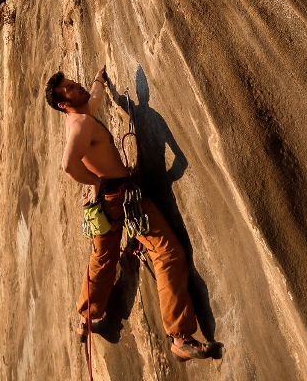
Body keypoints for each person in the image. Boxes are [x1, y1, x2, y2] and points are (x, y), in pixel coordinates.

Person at [45, 66, 217, 361]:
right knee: (167, 253)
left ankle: (85, 319)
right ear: (63, 103)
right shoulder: (80, 126)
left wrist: (101, 81)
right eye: (70, 88)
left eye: (75, 83)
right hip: (122, 197)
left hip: (107, 202)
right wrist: (96, 181)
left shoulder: (83, 115)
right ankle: (180, 338)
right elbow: (68, 165)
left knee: (102, 259)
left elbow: (95, 96)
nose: (78, 87)